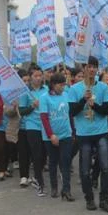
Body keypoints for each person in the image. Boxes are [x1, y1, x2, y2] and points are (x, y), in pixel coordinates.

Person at [69, 56, 108, 212]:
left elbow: (106, 110)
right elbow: (72, 111)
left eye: (94, 67)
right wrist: (83, 100)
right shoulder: (75, 89)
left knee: (106, 167)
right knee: (85, 169)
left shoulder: (103, 87)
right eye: (89, 66)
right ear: (84, 68)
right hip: (84, 134)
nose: (92, 69)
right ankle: (89, 198)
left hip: (101, 132)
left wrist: (93, 105)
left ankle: (104, 199)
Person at [39, 72, 75, 201]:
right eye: (61, 85)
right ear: (53, 85)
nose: (63, 87)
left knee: (65, 162)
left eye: (64, 84)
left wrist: (73, 131)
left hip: (66, 134)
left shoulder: (66, 95)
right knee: (53, 161)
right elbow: (44, 117)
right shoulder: (44, 98)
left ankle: (66, 189)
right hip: (51, 136)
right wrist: (51, 135)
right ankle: (54, 187)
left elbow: (69, 114)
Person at [18, 66, 49, 196]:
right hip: (31, 125)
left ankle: (37, 175)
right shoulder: (25, 92)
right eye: (35, 76)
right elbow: (21, 111)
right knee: (36, 153)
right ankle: (39, 182)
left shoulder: (46, 90)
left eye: (40, 75)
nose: (38, 78)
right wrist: (32, 106)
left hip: (45, 125)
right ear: (30, 77)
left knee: (44, 154)